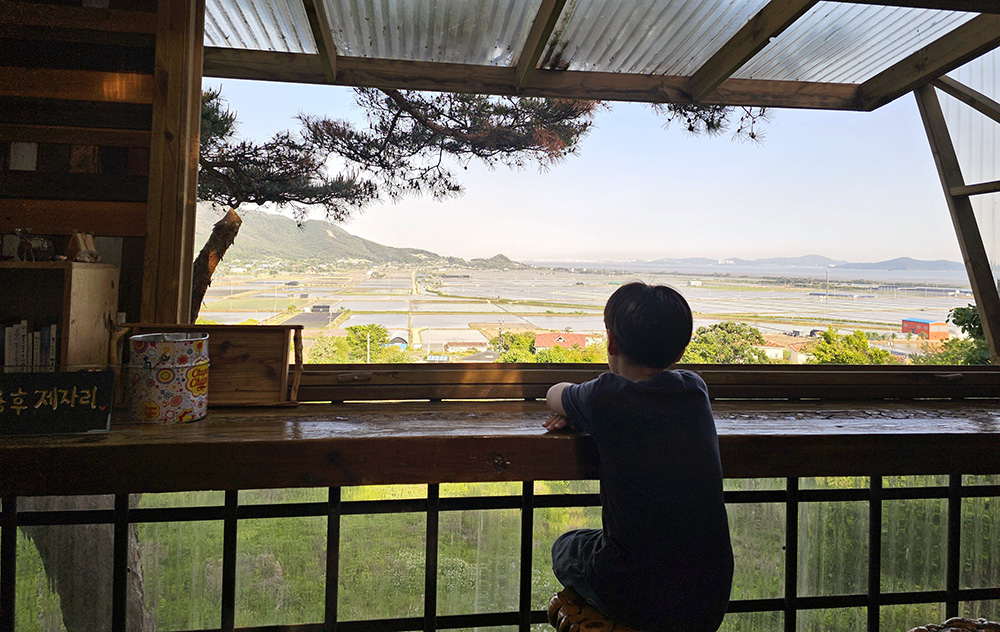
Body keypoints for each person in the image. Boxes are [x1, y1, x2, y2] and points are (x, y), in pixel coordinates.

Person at [544, 282, 733, 632]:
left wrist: (576, 411)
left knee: (566, 546)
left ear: (611, 343)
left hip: (635, 597)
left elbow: (553, 394)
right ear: (680, 352)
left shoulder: (606, 395)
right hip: (708, 599)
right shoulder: (694, 389)